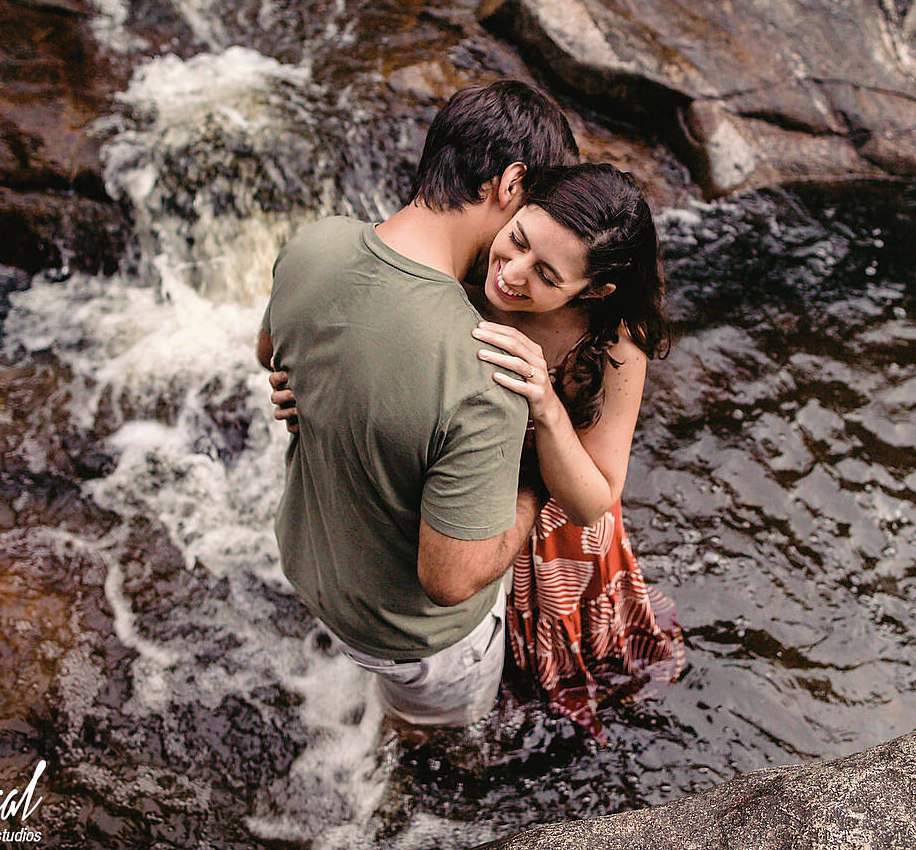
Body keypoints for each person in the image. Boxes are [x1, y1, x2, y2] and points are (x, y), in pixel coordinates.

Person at [272, 162, 685, 739]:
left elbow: (596, 500)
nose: (511, 274)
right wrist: (310, 390)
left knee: (520, 695)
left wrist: (546, 408)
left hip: (543, 524)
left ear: (594, 290)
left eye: (546, 275)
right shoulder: (461, 269)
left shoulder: (615, 344)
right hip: (443, 505)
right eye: (517, 239)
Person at [257, 80, 578, 728]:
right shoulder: (486, 371)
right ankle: (419, 745)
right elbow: (450, 579)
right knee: (444, 750)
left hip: (311, 570)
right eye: (535, 213)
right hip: (413, 640)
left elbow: (271, 353)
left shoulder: (316, 243)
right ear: (510, 184)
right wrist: (535, 487)